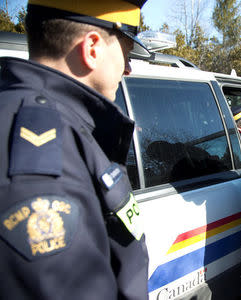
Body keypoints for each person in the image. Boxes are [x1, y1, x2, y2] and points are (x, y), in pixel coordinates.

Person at [0, 1, 150, 299]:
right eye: (127, 52)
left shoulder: (47, 121)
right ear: (92, 47)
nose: (129, 69)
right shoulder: (42, 156)